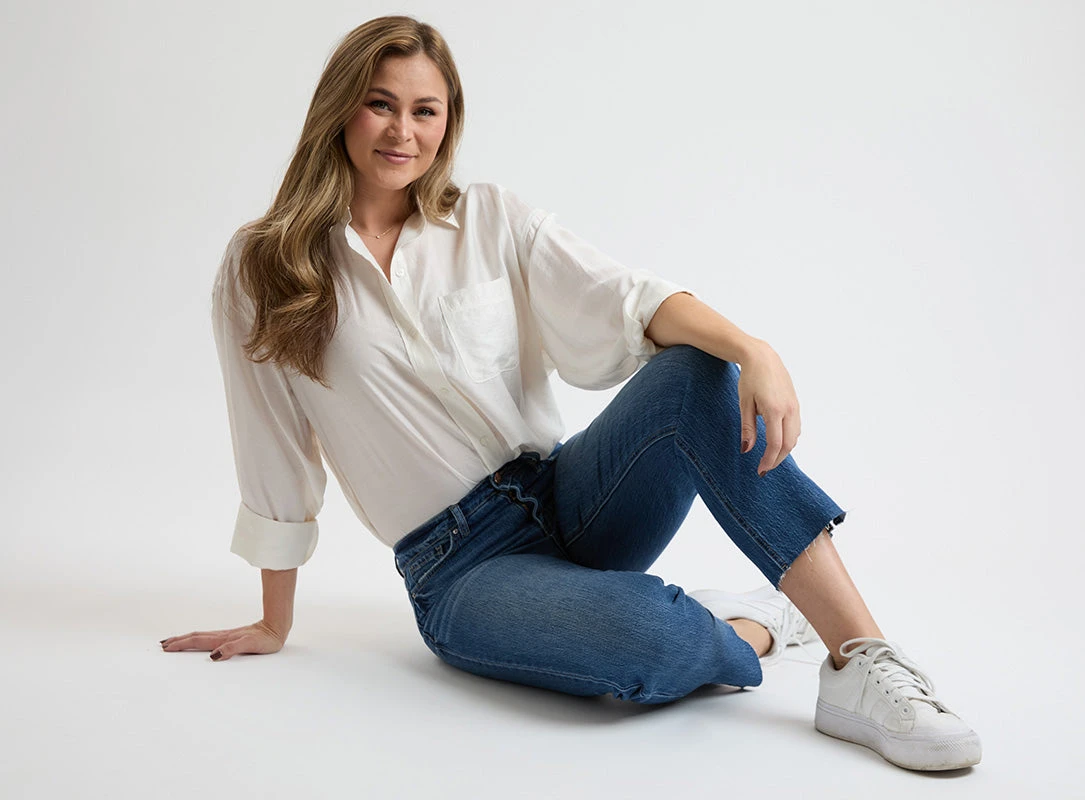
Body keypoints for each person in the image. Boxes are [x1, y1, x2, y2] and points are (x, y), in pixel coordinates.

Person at [160, 15, 982, 772]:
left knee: (696, 371)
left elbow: (624, 298)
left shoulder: (489, 220)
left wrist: (751, 349)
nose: (403, 131)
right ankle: (752, 625)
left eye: (425, 110)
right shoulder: (266, 267)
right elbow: (271, 445)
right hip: (462, 570)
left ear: (448, 123)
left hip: (571, 495)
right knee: (646, 642)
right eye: (380, 104)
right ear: (341, 108)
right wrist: (275, 621)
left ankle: (861, 661)